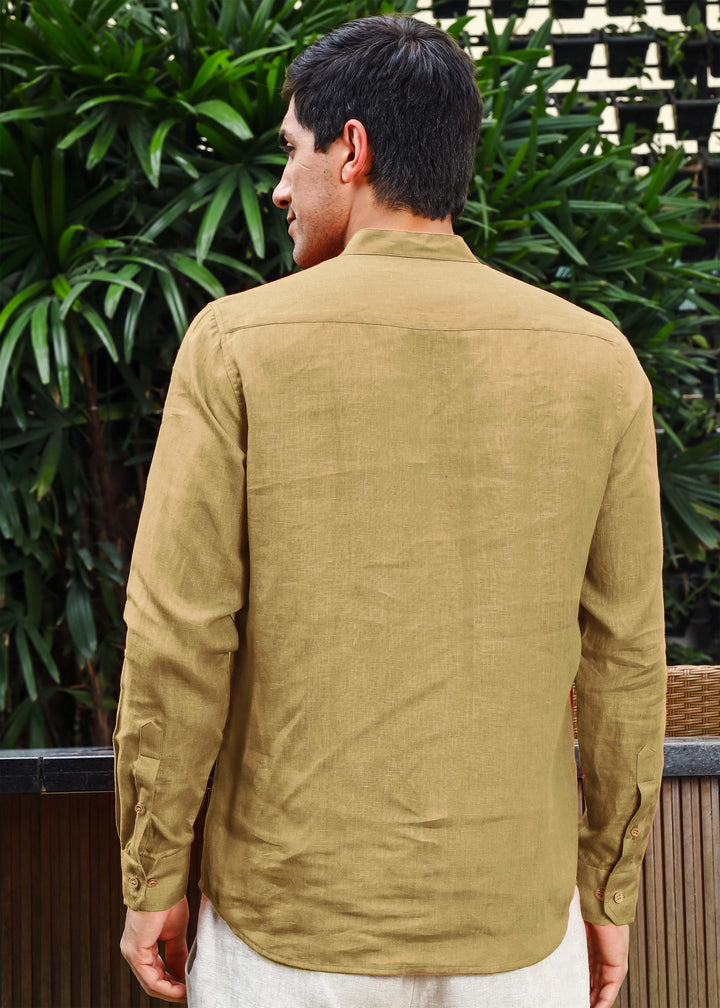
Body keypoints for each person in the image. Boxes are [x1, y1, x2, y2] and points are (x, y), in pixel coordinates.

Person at [114, 14, 666, 1008]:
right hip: (514, 926)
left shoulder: (236, 347)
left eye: (291, 151)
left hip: (288, 926)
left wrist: (153, 872)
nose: (281, 187)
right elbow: (626, 659)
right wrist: (609, 891)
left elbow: (177, 640)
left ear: (353, 149)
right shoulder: (597, 363)